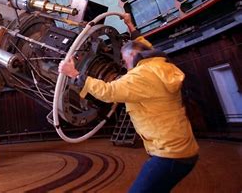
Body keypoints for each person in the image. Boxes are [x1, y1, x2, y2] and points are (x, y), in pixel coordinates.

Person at [59, 13, 199, 193]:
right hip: (183, 149)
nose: (125, 67)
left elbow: (109, 92)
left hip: (169, 155)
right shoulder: (158, 64)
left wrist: (75, 75)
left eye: (125, 62)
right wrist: (130, 25)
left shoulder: (141, 76)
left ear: (133, 55)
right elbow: (144, 46)